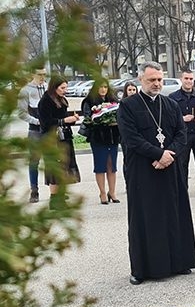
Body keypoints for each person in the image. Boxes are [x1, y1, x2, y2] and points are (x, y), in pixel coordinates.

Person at [117, 61, 195, 285]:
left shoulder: (170, 105)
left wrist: (168, 155)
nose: (157, 84)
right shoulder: (128, 106)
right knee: (145, 218)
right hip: (143, 171)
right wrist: (157, 154)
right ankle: (142, 269)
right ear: (141, 79)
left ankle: (179, 262)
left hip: (169, 167)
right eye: (152, 80)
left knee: (174, 214)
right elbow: (131, 139)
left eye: (160, 80)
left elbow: (181, 134)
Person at [38, 75, 81, 210]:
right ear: (54, 87)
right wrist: (64, 121)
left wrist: (72, 119)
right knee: (55, 169)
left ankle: (61, 197)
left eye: (66, 87)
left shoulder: (61, 99)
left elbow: (63, 117)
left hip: (64, 138)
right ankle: (54, 199)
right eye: (62, 88)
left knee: (64, 168)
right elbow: (45, 123)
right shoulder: (45, 101)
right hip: (52, 139)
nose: (65, 90)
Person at [81, 80, 121, 205]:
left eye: (105, 87)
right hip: (98, 137)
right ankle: (102, 192)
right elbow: (87, 119)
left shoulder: (114, 100)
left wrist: (115, 122)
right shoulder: (89, 101)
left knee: (112, 165)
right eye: (100, 87)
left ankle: (112, 192)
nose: (103, 89)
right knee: (100, 165)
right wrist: (99, 120)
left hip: (112, 137)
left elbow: (121, 115)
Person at [17, 68, 47, 203]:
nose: (42, 77)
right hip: (35, 130)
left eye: (44, 74)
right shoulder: (25, 91)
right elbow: (21, 113)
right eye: (39, 74)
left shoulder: (47, 87)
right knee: (34, 161)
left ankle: (55, 189)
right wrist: (36, 121)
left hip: (49, 130)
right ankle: (34, 190)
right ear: (32, 74)